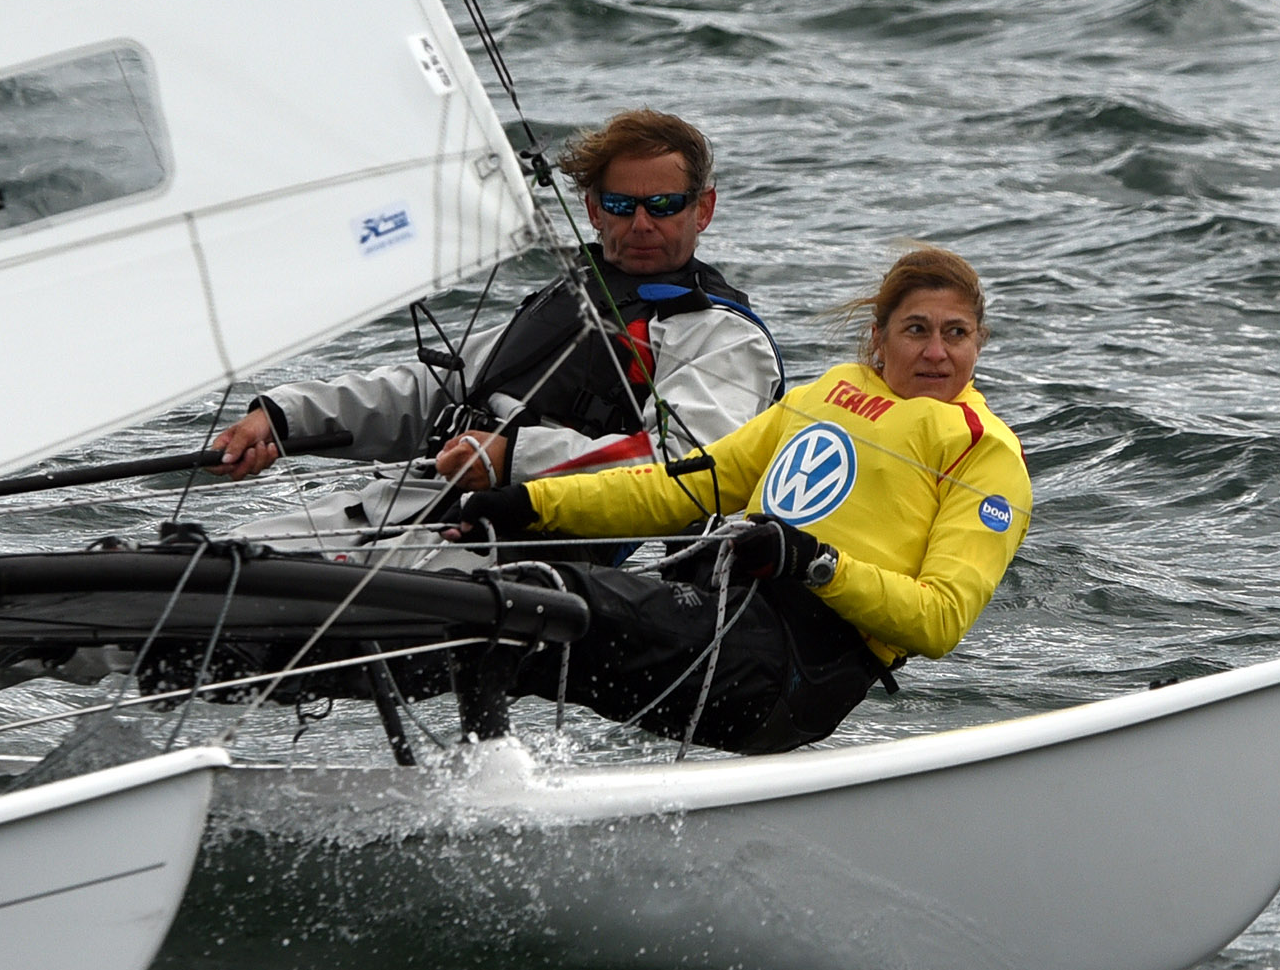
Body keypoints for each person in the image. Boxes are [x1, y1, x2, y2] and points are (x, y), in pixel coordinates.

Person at [458, 245, 1030, 755]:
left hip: (789, 673)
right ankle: (469, 773)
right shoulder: (826, 392)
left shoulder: (985, 452)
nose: (936, 352)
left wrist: (814, 562)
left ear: (979, 340)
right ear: (879, 337)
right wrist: (530, 502)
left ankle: (484, 780)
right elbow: (679, 486)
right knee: (490, 616)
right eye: (916, 330)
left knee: (541, 601)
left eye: (956, 333)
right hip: (722, 614)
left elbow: (939, 620)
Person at [211, 108, 782, 489]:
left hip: (522, 548)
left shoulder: (720, 335)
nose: (640, 224)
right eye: (619, 205)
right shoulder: (575, 296)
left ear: (702, 210)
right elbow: (431, 389)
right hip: (414, 499)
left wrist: (513, 458)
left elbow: (687, 470)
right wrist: (282, 417)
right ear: (592, 209)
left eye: (663, 206)